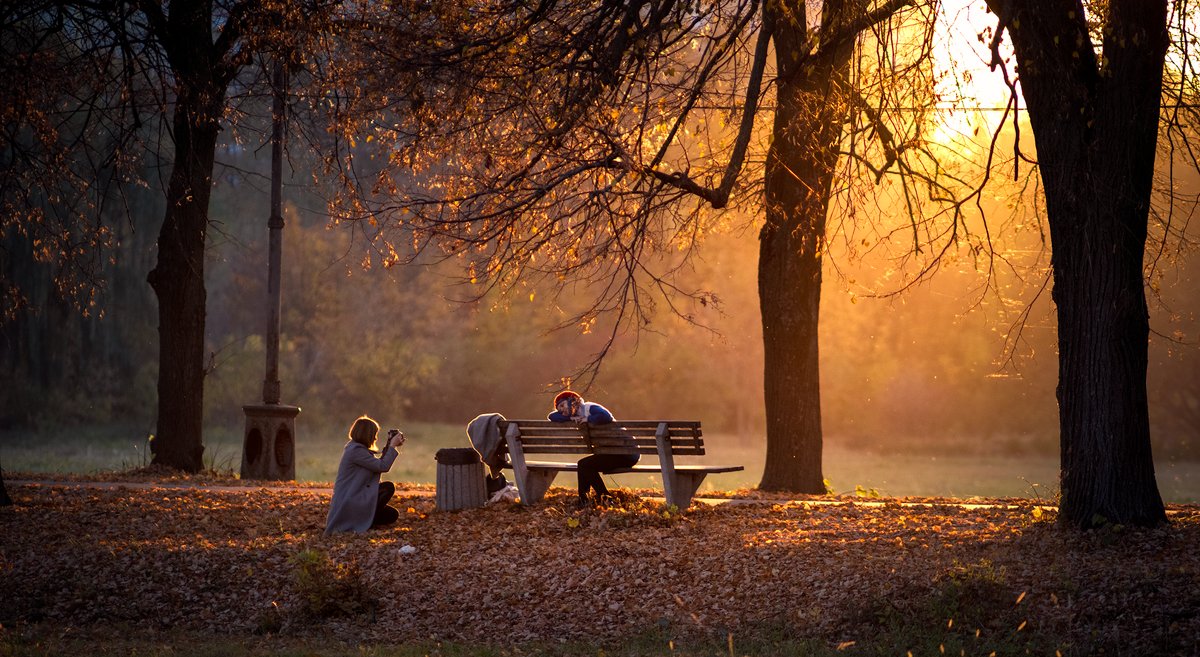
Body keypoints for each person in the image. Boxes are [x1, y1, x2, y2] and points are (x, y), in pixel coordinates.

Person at [547, 390, 636, 506]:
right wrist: (570, 417)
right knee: (584, 465)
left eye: (563, 405)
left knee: (584, 465)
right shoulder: (577, 415)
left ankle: (603, 498)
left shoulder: (589, 408)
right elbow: (552, 416)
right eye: (559, 409)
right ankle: (586, 500)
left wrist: (587, 419)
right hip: (612, 452)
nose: (562, 410)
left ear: (572, 401)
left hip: (626, 452)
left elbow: (605, 416)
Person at [325, 415, 406, 533]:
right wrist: (392, 446)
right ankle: (360, 521)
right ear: (367, 434)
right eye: (374, 434)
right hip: (350, 500)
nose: (375, 438)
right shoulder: (355, 451)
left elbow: (377, 464)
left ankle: (365, 519)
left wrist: (390, 444)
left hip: (357, 496)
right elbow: (382, 466)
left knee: (392, 515)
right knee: (388, 487)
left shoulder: (357, 449)